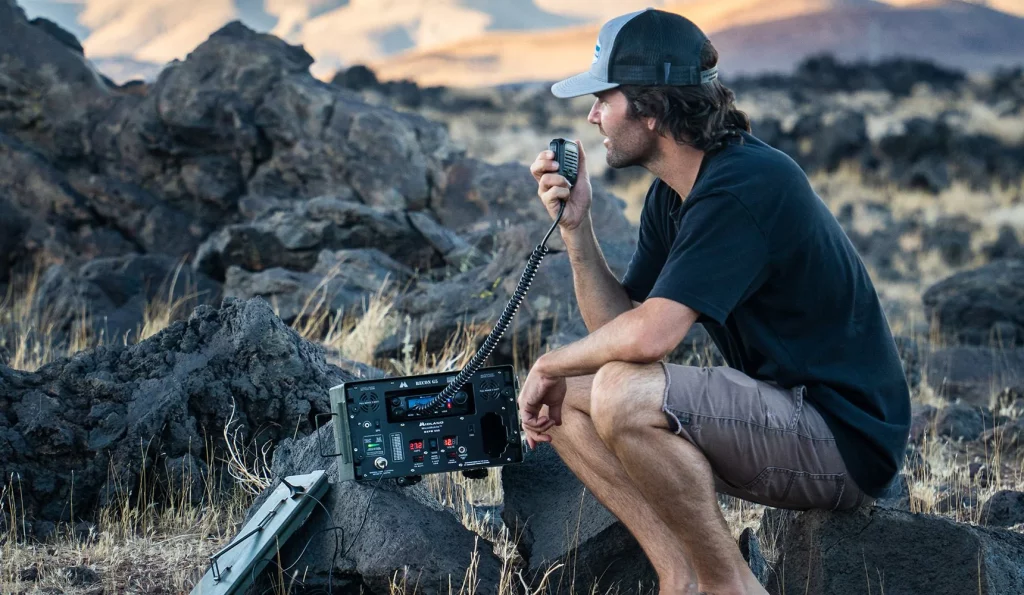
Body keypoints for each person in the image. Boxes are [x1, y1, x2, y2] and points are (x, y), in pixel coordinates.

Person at [516, 8, 911, 595]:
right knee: (569, 406)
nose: (593, 115)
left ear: (650, 109)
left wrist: (549, 362)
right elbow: (620, 330)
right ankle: (682, 578)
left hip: (842, 438)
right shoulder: (672, 195)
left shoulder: (746, 183)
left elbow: (652, 338)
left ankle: (730, 587)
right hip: (780, 412)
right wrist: (577, 230)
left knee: (619, 394)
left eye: (605, 97)